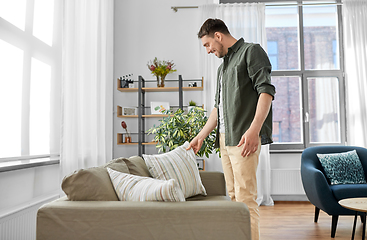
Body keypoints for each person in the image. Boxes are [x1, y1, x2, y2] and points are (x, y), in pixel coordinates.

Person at [187, 18, 276, 240]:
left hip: (244, 138)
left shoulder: (251, 52)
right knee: (235, 197)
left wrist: (254, 130)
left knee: (246, 198)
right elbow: (218, 109)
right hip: (225, 141)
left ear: (218, 36)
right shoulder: (222, 68)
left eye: (208, 45)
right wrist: (200, 137)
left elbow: (266, 92)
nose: (208, 50)